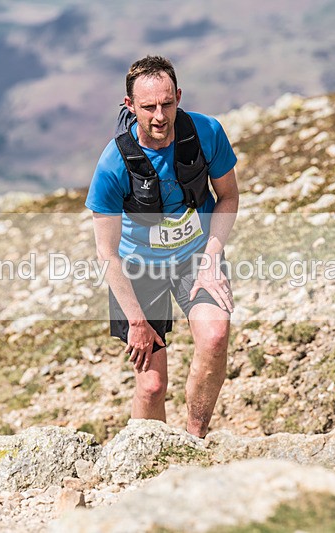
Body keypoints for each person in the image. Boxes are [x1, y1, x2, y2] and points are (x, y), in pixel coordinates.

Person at [85, 55, 239, 438]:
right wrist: (137, 321)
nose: (159, 115)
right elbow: (106, 253)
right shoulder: (112, 165)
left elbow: (228, 197)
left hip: (195, 257)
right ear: (130, 106)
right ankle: (146, 458)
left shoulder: (206, 133)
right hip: (139, 271)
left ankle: (193, 442)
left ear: (178, 97)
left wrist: (212, 258)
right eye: (149, 106)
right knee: (152, 384)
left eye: (167, 103)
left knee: (215, 336)